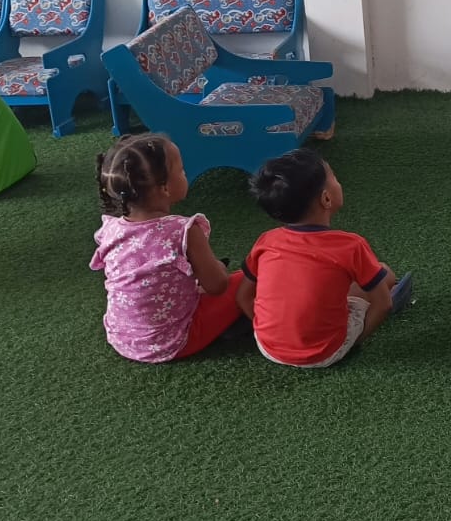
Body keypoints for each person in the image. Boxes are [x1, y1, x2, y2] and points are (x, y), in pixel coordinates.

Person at [238, 149, 412, 368]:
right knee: (384, 274)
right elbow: (383, 305)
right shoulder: (350, 245)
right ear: (326, 199)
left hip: (268, 348)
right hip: (325, 352)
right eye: (335, 178)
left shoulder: (266, 241)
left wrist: (270, 326)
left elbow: (243, 296)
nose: (339, 182)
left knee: (335, 283)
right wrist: (353, 341)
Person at [90, 133, 244, 363]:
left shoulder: (110, 228)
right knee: (249, 277)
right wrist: (219, 269)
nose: (185, 174)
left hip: (123, 338)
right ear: (164, 188)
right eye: (181, 171)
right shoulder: (184, 230)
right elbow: (217, 286)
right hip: (174, 341)